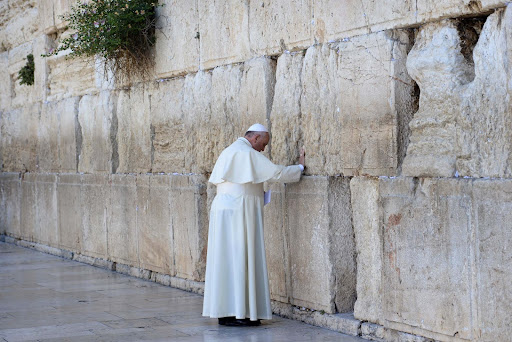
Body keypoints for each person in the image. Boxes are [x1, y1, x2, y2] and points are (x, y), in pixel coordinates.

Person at [202, 123, 305, 327]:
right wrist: (299, 168)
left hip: (224, 210)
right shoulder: (245, 152)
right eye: (263, 144)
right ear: (256, 138)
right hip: (239, 212)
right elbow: (276, 173)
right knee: (240, 259)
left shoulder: (230, 150)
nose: (263, 149)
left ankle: (226, 312)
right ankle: (240, 313)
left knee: (226, 261)